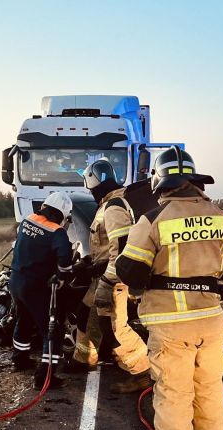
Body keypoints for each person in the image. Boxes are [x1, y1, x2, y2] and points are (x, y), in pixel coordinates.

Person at [115, 147, 223, 430]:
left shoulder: (154, 219)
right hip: (212, 321)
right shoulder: (219, 215)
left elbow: (129, 270)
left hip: (170, 324)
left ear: (160, 181)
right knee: (210, 389)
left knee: (173, 395)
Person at [68, 158, 151, 394]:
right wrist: (87, 264)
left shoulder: (114, 207)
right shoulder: (108, 205)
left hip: (112, 279)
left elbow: (123, 251)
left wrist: (105, 280)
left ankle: (142, 371)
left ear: (93, 182)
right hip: (102, 276)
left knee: (115, 327)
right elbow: (105, 247)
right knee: (86, 315)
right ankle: (84, 358)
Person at [9, 192, 74, 390]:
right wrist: (63, 277)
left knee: (24, 320)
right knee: (51, 330)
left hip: (16, 281)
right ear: (62, 213)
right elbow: (65, 261)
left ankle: (20, 359)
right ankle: (45, 376)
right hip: (35, 287)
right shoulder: (57, 232)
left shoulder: (27, 221)